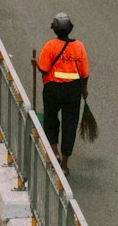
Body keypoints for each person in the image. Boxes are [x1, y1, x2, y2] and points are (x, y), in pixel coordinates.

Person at [37, 12, 89, 175]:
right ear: (70, 29)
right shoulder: (79, 46)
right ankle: (65, 165)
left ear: (54, 30)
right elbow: (85, 73)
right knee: (70, 125)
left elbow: (43, 69)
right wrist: (84, 89)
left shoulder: (50, 46)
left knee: (50, 120)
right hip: (73, 91)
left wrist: (35, 63)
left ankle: (54, 153)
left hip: (53, 89)